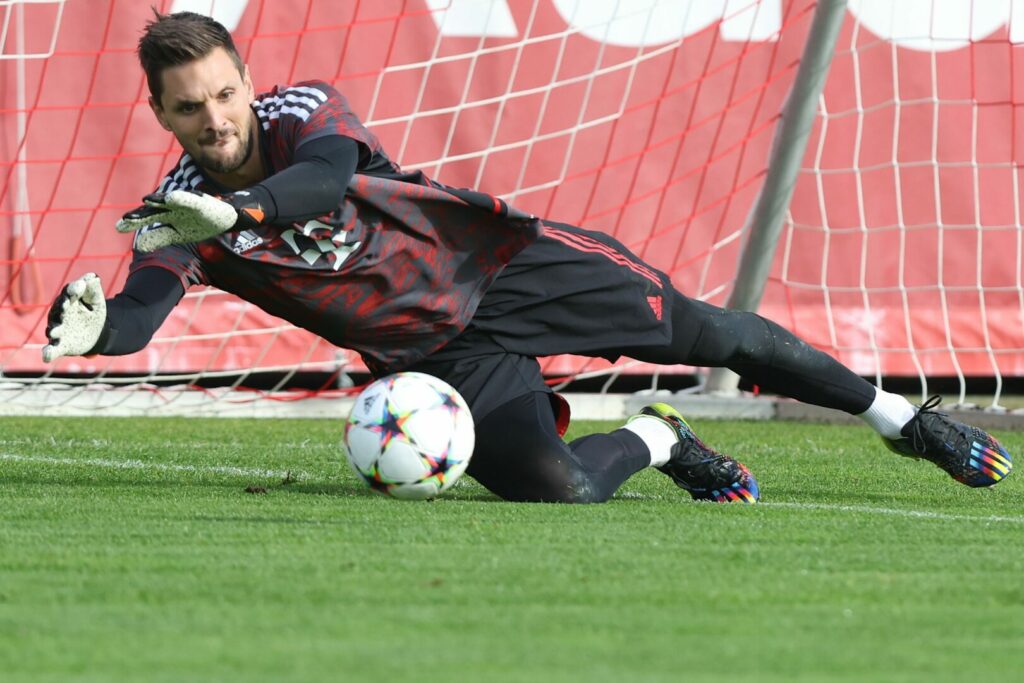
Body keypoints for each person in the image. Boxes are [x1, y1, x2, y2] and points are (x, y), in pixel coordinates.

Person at [42, 11, 1012, 503]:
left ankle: (902, 419)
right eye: (186, 107)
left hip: (507, 266)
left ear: (245, 84)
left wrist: (239, 208)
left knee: (710, 327)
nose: (211, 119)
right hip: (440, 355)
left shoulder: (301, 116)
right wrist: (95, 333)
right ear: (160, 114)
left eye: (221, 94)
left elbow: (322, 182)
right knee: (561, 489)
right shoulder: (167, 215)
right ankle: (662, 436)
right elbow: (137, 312)